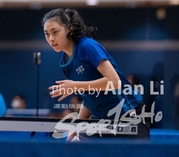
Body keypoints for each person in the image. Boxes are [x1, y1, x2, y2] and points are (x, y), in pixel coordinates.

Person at [43, 8, 149, 141]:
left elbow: (114, 82)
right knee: (74, 147)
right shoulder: (65, 62)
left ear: (69, 29)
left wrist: (75, 86)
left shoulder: (87, 46)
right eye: (46, 34)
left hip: (129, 113)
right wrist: (76, 128)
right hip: (101, 121)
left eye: (55, 32)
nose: (51, 38)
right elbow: (89, 98)